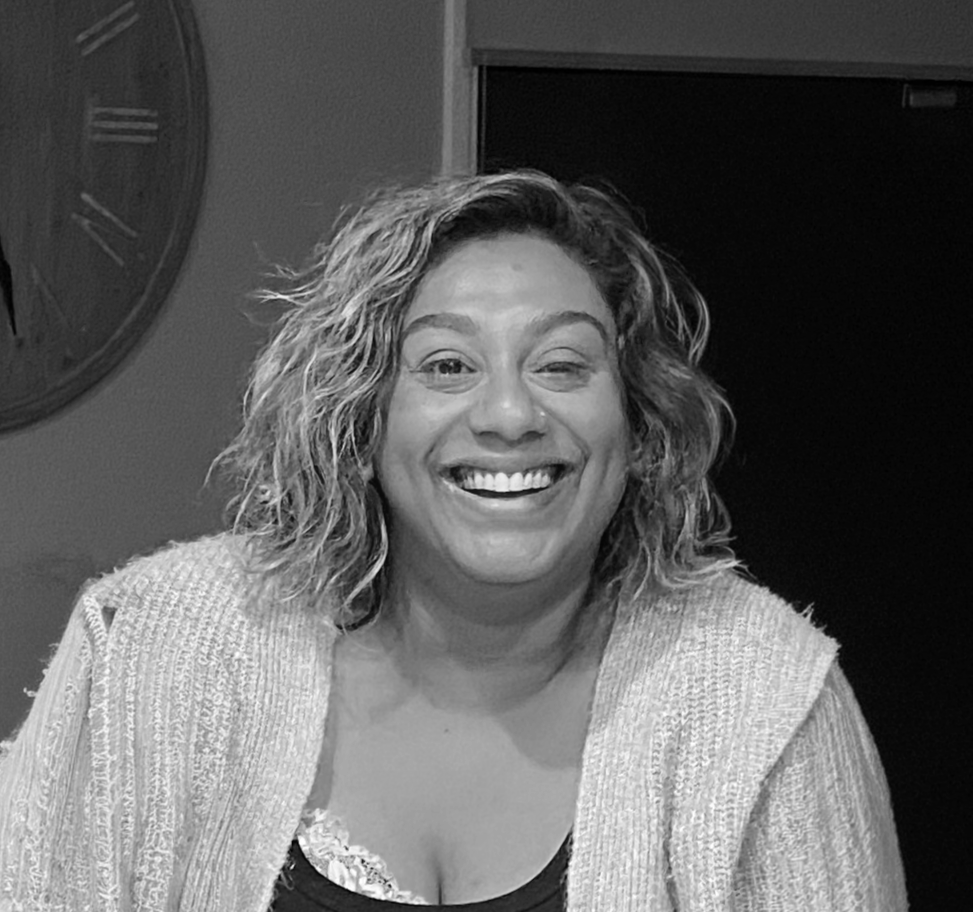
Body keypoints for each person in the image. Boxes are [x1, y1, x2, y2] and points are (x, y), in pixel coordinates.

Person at [0, 170, 907, 911]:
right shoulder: (148, 655)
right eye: (446, 365)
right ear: (360, 419)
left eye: (561, 365)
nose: (510, 414)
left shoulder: (764, 701)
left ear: (638, 425)